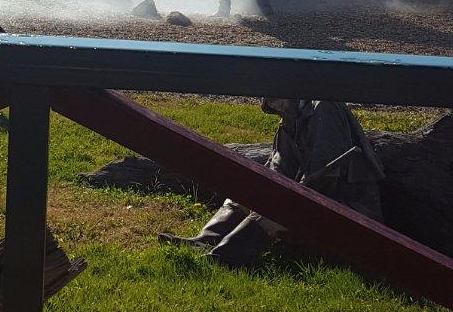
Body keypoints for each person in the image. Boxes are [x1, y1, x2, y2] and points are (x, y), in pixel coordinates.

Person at [160, 97, 384, 268]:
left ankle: (223, 258)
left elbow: (325, 178)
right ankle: (205, 240)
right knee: (244, 194)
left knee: (273, 213)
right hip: (314, 196)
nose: (276, 109)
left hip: (347, 207)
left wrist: (281, 202)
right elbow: (278, 169)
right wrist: (255, 191)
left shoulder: (324, 109)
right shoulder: (291, 118)